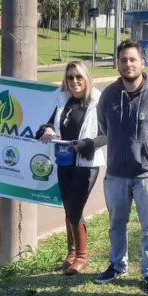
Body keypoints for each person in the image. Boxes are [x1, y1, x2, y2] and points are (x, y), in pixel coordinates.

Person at [96, 40, 148, 292]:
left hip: (147, 176)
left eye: (133, 59)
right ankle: (117, 265)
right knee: (116, 224)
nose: (128, 64)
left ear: (142, 62)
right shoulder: (108, 95)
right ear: (118, 64)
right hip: (116, 175)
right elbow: (103, 128)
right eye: (123, 60)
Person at [37, 62, 107, 275]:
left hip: (87, 163)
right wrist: (47, 130)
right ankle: (71, 253)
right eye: (70, 77)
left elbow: (107, 135)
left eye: (79, 77)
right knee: (68, 208)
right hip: (64, 161)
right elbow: (46, 124)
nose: (75, 81)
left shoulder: (97, 102)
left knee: (75, 209)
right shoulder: (62, 101)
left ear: (87, 78)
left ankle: (82, 257)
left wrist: (87, 144)